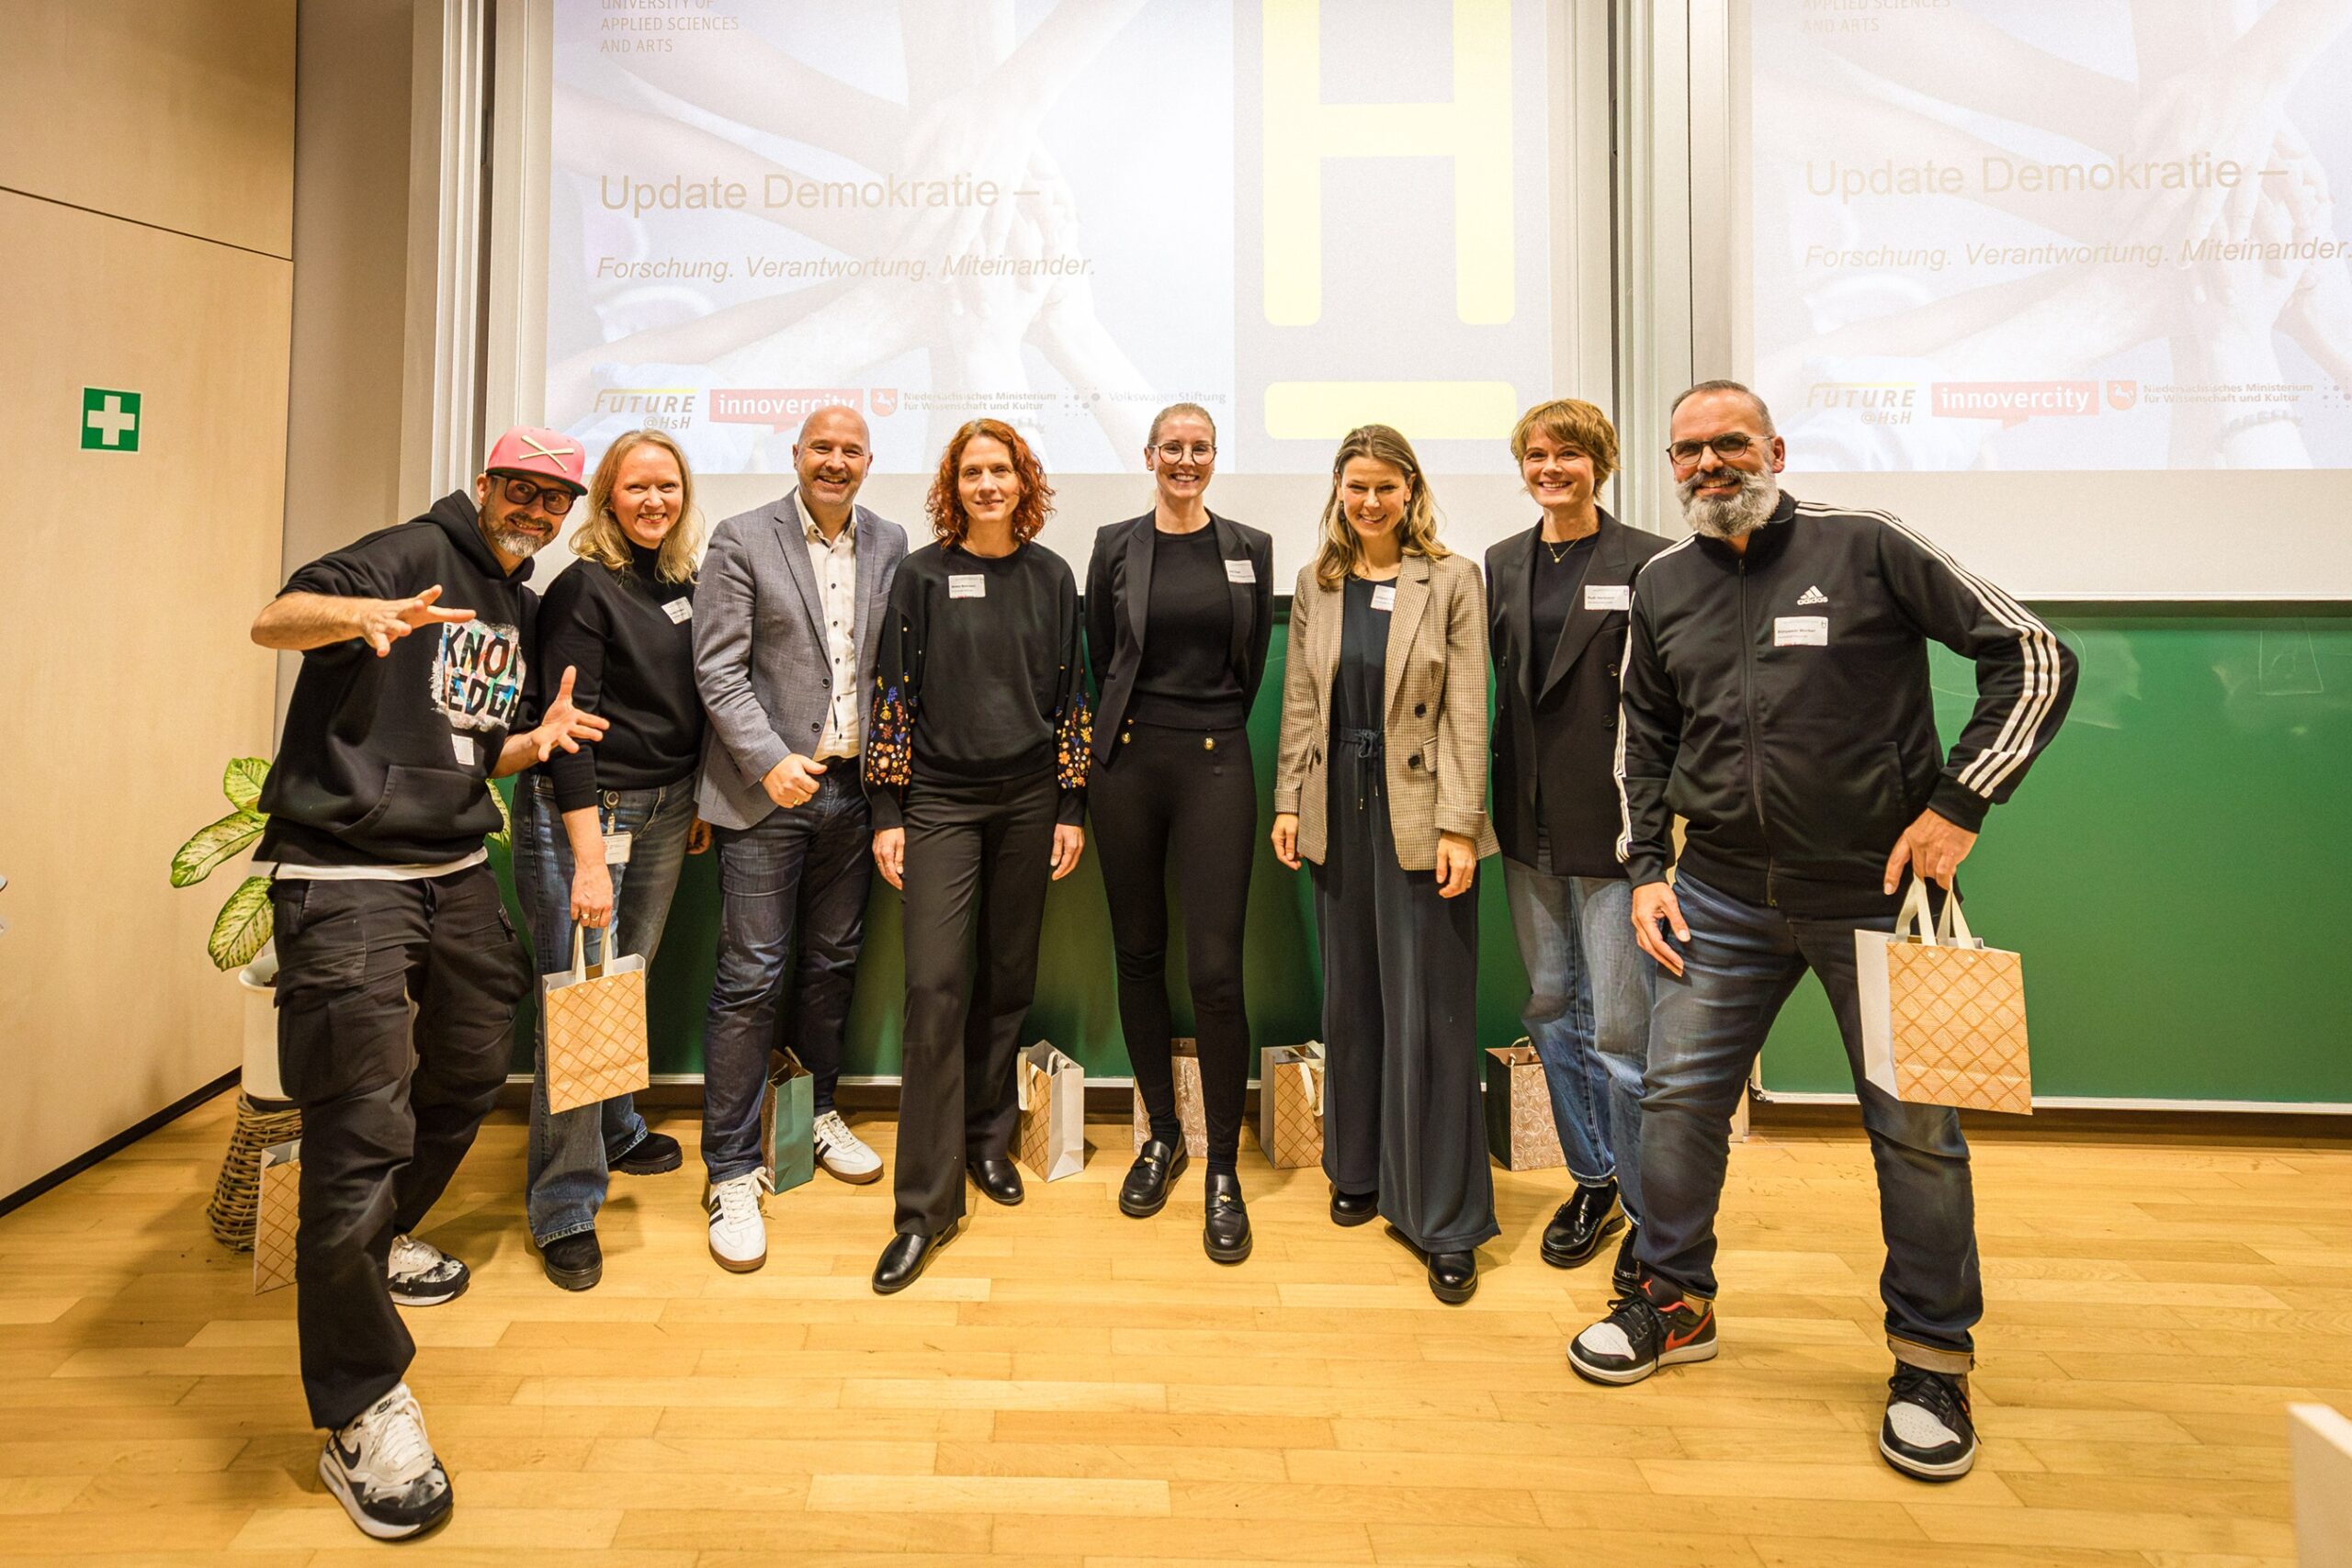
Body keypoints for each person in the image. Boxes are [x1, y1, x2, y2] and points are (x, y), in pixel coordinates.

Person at [1569, 379, 2077, 1484]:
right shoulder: (1662, 581)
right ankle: (1673, 1300)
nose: (1708, 465)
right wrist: (1647, 868)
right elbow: (1641, 732)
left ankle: (1931, 1359)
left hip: (1876, 896)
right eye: (1687, 451)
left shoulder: (1867, 545)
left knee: (1916, 1134)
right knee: (1677, 1104)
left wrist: (1959, 804)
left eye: (1728, 443)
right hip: (1720, 895)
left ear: (1774, 449)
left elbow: (2034, 654)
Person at [246, 427, 606, 1541]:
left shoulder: (514, 603)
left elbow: (466, 747)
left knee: (472, 1063)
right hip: (346, 873)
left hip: (449, 870)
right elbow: (276, 617)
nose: (536, 511)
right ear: (484, 483)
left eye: (555, 499)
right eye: (521, 489)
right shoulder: (413, 552)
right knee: (358, 1129)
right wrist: (359, 617)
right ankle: (360, 1411)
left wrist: (537, 741)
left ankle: (384, 1238)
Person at [1272, 424, 1500, 1303]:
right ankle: (1358, 1167)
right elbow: (1302, 701)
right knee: (1354, 998)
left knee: (1429, 1011)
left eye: (1385, 487)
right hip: (1337, 807)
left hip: (1421, 814)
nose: (1370, 502)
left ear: (1411, 491)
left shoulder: (1453, 578)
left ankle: (1443, 1217)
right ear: (1338, 490)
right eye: (1356, 487)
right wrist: (1289, 801)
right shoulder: (1317, 582)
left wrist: (1458, 825)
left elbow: (1468, 710)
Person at [865, 418, 1091, 1294]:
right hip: (940, 804)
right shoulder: (921, 575)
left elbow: (1072, 699)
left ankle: (988, 1140)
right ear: (952, 487)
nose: (987, 484)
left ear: (1022, 481)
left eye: (1001, 470)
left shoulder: (1053, 575)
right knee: (934, 987)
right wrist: (888, 809)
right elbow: (891, 696)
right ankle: (924, 1206)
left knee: (1007, 976)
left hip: (1031, 800)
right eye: (972, 472)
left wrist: (1071, 803)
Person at [694, 405, 909, 1272]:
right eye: (822, 446)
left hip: (854, 794)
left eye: (851, 449)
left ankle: (815, 1110)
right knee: (751, 976)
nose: (835, 460)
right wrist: (770, 760)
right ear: (796, 454)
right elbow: (717, 668)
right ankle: (730, 1167)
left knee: (832, 965)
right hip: (766, 795)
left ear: (868, 462)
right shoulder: (743, 537)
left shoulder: (891, 541)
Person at [512, 429, 707, 1292]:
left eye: (668, 486)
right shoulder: (582, 587)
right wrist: (588, 857)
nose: (654, 500)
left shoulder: (678, 582)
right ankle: (563, 1204)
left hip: (664, 808)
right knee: (581, 1000)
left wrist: (689, 803)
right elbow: (568, 733)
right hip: (591, 815)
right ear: (607, 497)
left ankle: (616, 1126)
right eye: (637, 487)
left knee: (622, 979)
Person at [1485, 400, 1673, 1286]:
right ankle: (1591, 1180)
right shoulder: (1500, 561)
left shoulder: (1650, 561)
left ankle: (1646, 1212)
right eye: (1535, 454)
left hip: (1615, 820)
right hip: (1527, 817)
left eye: (1567, 454)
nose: (1549, 468)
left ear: (1601, 461)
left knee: (1624, 1031)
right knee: (1552, 1003)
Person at [1084, 403, 1273, 1263]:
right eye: (1173, 447)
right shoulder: (1113, 545)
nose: (1185, 460)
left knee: (1216, 971)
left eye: (1200, 448)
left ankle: (1222, 1166)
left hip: (1215, 765)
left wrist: (1208, 726)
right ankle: (1162, 1134)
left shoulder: (1249, 548)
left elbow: (1249, 666)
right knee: (1138, 953)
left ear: (1214, 456)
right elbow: (1104, 656)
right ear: (1150, 454)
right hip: (1126, 768)